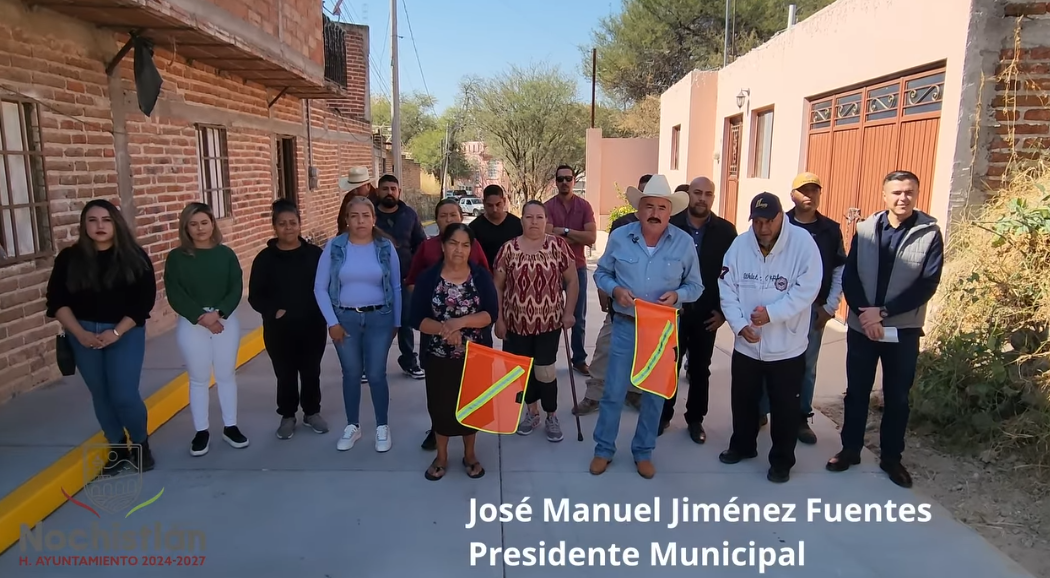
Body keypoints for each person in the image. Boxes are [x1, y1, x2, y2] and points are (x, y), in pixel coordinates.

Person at [827, 170, 944, 489]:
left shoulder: (929, 232)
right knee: (857, 393)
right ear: (884, 195)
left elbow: (928, 283)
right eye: (896, 192)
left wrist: (884, 312)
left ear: (916, 194)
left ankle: (892, 458)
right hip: (862, 327)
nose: (902, 197)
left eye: (909, 192)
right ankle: (850, 449)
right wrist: (866, 314)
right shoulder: (865, 229)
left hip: (902, 330)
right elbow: (850, 276)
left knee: (897, 398)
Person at [590, 175, 703, 479]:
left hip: (662, 329)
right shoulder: (620, 237)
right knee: (613, 391)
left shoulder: (683, 243)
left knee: (654, 395)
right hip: (625, 325)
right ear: (639, 209)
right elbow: (601, 274)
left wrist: (679, 295)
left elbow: (696, 286)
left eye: (661, 207)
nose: (655, 212)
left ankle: (643, 452)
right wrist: (615, 290)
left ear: (670, 211)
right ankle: (603, 449)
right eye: (649, 206)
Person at [717, 192, 822, 484]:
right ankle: (742, 446)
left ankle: (781, 461)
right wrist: (739, 325)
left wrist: (773, 314)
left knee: (785, 408)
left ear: (781, 217)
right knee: (743, 400)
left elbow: (807, 289)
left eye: (769, 221)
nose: (763, 228)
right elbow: (726, 286)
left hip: (786, 347)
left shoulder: (802, 244)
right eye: (757, 221)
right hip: (747, 345)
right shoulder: (740, 245)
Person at [45, 199, 157, 472]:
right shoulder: (69, 258)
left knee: (124, 394)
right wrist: (80, 334)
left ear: (116, 223)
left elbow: (144, 302)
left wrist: (116, 332)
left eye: (106, 220)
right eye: (92, 220)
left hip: (125, 332)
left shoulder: (134, 256)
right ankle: (117, 446)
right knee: (101, 394)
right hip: (82, 334)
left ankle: (141, 444)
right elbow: (56, 301)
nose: (99, 226)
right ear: (84, 225)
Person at [757, 172, 846, 444]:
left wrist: (831, 307)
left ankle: (800, 417)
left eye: (814, 190)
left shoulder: (830, 229)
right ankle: (761, 410)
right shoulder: (776, 223)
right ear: (792, 195)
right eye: (803, 190)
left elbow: (840, 268)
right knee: (766, 360)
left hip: (812, 311)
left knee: (806, 366)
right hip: (774, 308)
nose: (809, 195)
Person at [409, 223, 499, 481]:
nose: (459, 249)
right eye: (453, 243)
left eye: (465, 244)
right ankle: (442, 455)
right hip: (438, 356)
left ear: (471, 248)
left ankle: (470, 454)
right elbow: (417, 319)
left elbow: (489, 314)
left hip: (475, 354)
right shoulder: (429, 278)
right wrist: (443, 330)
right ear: (443, 246)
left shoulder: (480, 277)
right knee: (440, 408)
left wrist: (458, 323)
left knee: (471, 407)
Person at [314, 196, 401, 453]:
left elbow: (396, 286)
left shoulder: (385, 247)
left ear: (374, 219)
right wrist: (332, 322)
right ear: (347, 220)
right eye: (354, 216)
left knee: (375, 374)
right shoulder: (335, 247)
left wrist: (396, 322)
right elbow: (320, 288)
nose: (360, 221)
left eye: (366, 215)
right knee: (351, 374)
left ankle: (382, 426)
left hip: (379, 318)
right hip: (345, 319)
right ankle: (353, 425)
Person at [165, 202, 249, 456]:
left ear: (212, 223)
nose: (200, 228)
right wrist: (201, 317)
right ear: (186, 228)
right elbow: (175, 293)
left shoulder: (226, 255)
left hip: (225, 321)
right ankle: (201, 430)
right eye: (193, 224)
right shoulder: (177, 258)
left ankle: (230, 426)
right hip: (193, 324)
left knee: (225, 375)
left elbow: (235, 287)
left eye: (204, 222)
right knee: (199, 378)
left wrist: (218, 314)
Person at [659, 176, 738, 441]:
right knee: (668, 365)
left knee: (701, 369)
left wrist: (724, 312)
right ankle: (663, 415)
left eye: (708, 194)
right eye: (697, 193)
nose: (702, 198)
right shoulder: (671, 226)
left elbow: (733, 275)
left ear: (713, 198)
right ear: (688, 195)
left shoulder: (726, 232)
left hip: (706, 314)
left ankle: (695, 420)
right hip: (673, 311)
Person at [493, 200, 579, 443]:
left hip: (549, 323)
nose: (534, 222)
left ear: (546, 221)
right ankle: (532, 412)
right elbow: (497, 287)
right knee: (522, 372)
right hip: (515, 323)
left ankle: (551, 414)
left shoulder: (558, 246)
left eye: (539, 217)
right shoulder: (508, 249)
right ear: (521, 221)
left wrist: (569, 312)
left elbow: (572, 281)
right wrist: (499, 318)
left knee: (545, 371)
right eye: (529, 217)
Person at [248, 200, 329, 440]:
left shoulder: (315, 255)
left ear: (300, 225)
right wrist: (273, 311)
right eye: (282, 224)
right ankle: (287, 415)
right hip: (279, 329)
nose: (288, 228)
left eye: (292, 223)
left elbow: (327, 286)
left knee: (311, 371)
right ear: (274, 227)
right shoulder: (265, 259)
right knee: (285, 373)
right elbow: (255, 295)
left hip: (312, 325)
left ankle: (312, 412)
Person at [578, 174, 653, 416]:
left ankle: (635, 392)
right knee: (604, 349)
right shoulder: (622, 226)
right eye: (643, 198)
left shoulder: (669, 230)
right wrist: (605, 292)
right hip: (621, 307)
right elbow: (606, 266)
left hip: (653, 312)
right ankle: (594, 394)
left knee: (643, 353)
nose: (648, 206)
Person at [545, 165, 596, 376]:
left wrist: (563, 231)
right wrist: (577, 235)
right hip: (552, 270)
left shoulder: (584, 206)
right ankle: (547, 358)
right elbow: (547, 236)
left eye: (568, 178)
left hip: (578, 268)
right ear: (555, 182)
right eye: (560, 179)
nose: (564, 182)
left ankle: (579, 359)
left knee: (578, 316)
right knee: (550, 315)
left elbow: (591, 238)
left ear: (574, 180)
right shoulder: (547, 206)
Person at [375, 174, 428, 379]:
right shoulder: (370, 215)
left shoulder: (410, 215)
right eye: (385, 188)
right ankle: (370, 364)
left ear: (399, 192)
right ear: (378, 191)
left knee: (405, 322)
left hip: (404, 280)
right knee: (376, 324)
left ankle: (409, 361)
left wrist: (413, 275)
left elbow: (420, 245)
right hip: (375, 282)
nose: (389, 192)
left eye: (393, 189)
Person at [469, 184, 523, 267]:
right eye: (490, 205)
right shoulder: (474, 227)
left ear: (504, 201)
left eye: (498, 204)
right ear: (484, 203)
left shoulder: (517, 224)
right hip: (485, 275)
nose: (494, 209)